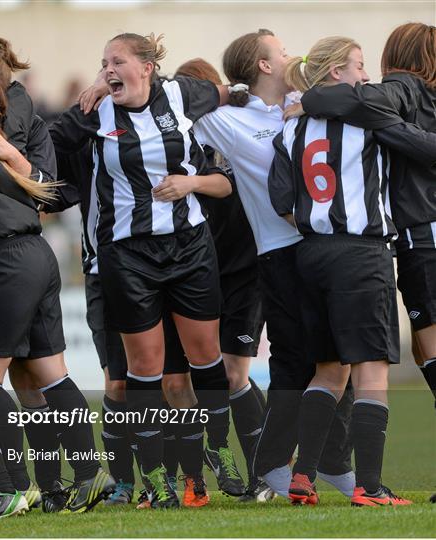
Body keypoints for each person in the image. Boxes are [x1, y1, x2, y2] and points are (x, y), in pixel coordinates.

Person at [50, 32, 245, 508]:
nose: (109, 70)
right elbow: (48, 145)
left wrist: (192, 181)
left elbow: (230, 93)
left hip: (189, 245)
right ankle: (155, 478)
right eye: (103, 63)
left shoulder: (181, 93)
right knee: (145, 368)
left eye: (117, 62)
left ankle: (218, 445)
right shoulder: (95, 111)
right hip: (127, 254)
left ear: (147, 67)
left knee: (204, 358)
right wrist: (89, 94)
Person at [269, 34, 436, 507]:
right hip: (362, 254)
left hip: (310, 254)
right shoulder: (370, 120)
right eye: (358, 66)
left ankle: (302, 475)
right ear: (336, 75)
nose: (366, 76)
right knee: (371, 372)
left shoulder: (290, 129)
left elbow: (283, 202)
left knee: (327, 370)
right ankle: (371, 486)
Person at [193, 29, 355, 499]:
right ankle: (272, 468)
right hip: (278, 254)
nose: (292, 55)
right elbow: (171, 103)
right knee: (293, 364)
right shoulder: (230, 120)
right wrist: (104, 83)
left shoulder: (310, 102)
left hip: (325, 246)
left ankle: (330, 463)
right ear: (264, 65)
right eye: (281, 51)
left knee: (335, 357)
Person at [0, 65, 115, 514]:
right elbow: (48, 192)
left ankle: (8, 487)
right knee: (46, 374)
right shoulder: (10, 130)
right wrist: (21, 163)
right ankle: (87, 475)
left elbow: (43, 191)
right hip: (37, 252)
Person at [167, 57, 270, 503]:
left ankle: (265, 474)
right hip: (196, 270)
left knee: (232, 373)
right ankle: (198, 474)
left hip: (245, 268)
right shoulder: (174, 139)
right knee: (184, 380)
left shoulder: (229, 128)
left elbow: (228, 183)